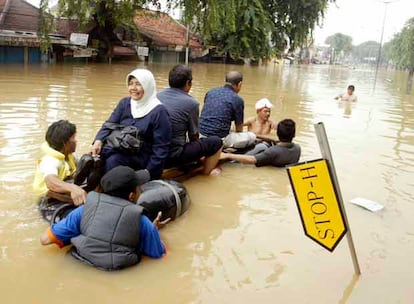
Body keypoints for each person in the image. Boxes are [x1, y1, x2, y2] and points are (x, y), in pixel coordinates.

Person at [40, 166, 170, 271]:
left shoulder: (84, 210)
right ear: (132, 195)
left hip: (77, 264)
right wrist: (156, 232)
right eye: (138, 188)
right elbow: (160, 257)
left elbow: (45, 240)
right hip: (117, 274)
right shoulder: (142, 222)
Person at [90, 69, 171, 180]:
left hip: (140, 155)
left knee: (113, 161)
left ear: (147, 86)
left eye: (138, 84)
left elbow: (161, 148)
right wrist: (98, 141)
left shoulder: (159, 112)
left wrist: (149, 172)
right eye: (131, 83)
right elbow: (109, 124)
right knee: (95, 155)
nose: (133, 88)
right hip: (119, 146)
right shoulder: (125, 103)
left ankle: (108, 191)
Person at [157, 64, 222, 175]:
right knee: (216, 142)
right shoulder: (191, 103)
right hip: (172, 156)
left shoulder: (156, 95)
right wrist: (198, 156)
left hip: (154, 153)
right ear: (188, 83)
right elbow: (194, 136)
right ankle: (205, 174)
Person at [33, 120, 86, 206]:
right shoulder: (50, 160)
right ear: (65, 143)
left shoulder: (70, 156)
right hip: (47, 200)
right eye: (73, 138)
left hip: (63, 191)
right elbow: (51, 182)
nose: (76, 141)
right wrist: (73, 189)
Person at [199, 71, 256, 149]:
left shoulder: (211, 92)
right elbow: (239, 129)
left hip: (200, 134)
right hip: (219, 139)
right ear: (239, 84)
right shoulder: (237, 100)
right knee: (252, 136)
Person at [220, 119, 301, 167]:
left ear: (278, 134)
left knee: (262, 147)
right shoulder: (297, 148)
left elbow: (252, 160)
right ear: (294, 135)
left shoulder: (273, 151)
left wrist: (228, 155)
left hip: (260, 162)